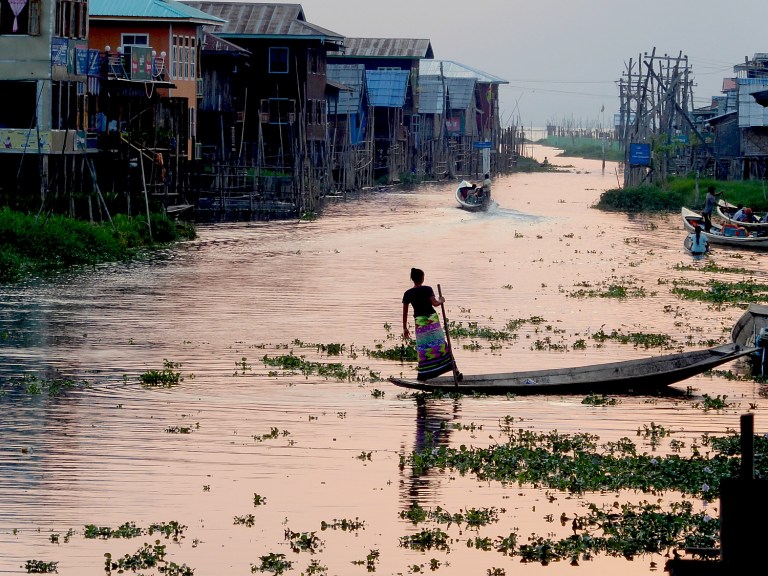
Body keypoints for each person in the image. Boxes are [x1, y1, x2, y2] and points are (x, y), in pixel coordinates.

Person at [402, 268, 460, 381]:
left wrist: (405, 328)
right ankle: (455, 371)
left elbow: (405, 313)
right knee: (441, 345)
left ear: (412, 279)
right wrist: (441, 300)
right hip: (432, 321)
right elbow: (435, 303)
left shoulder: (408, 293)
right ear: (422, 278)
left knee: (424, 349)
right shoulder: (427, 289)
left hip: (421, 323)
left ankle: (424, 377)